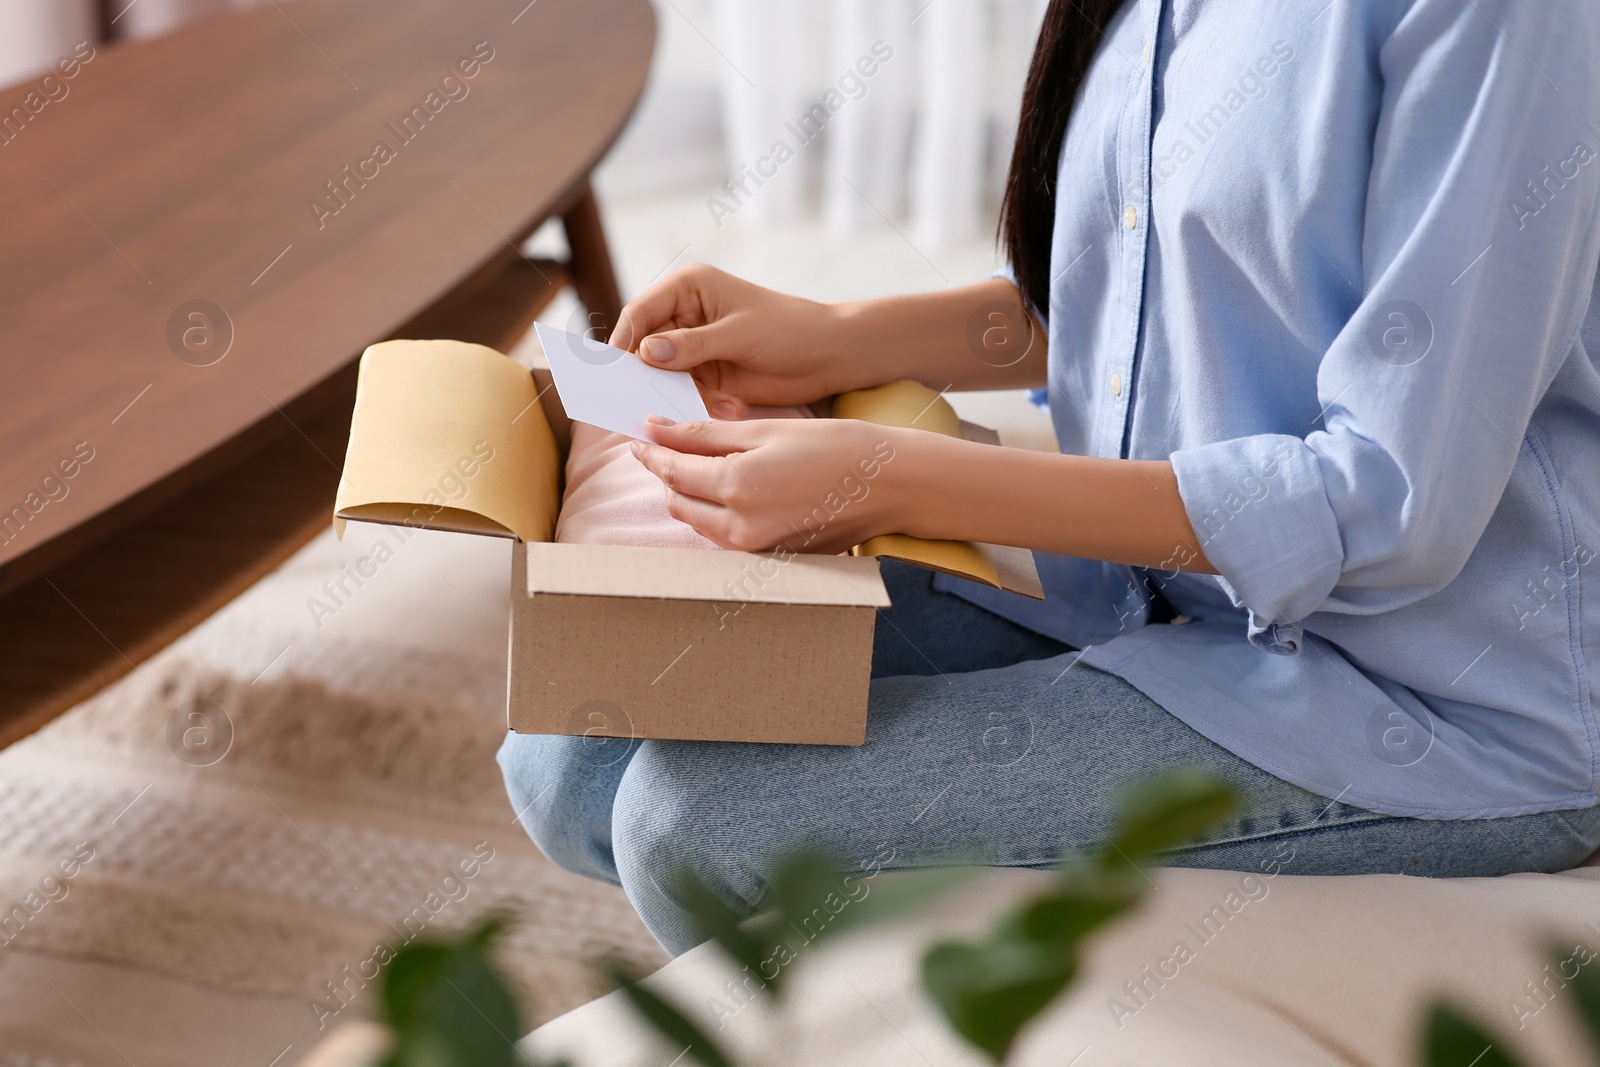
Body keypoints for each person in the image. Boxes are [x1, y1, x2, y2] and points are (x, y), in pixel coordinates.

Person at [500, 0, 1600, 954]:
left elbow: (1386, 502)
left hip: (1440, 697)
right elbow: (1136, 288)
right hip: (1154, 592)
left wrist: (896, 478)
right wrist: (832, 333)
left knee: (696, 828)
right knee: (572, 749)